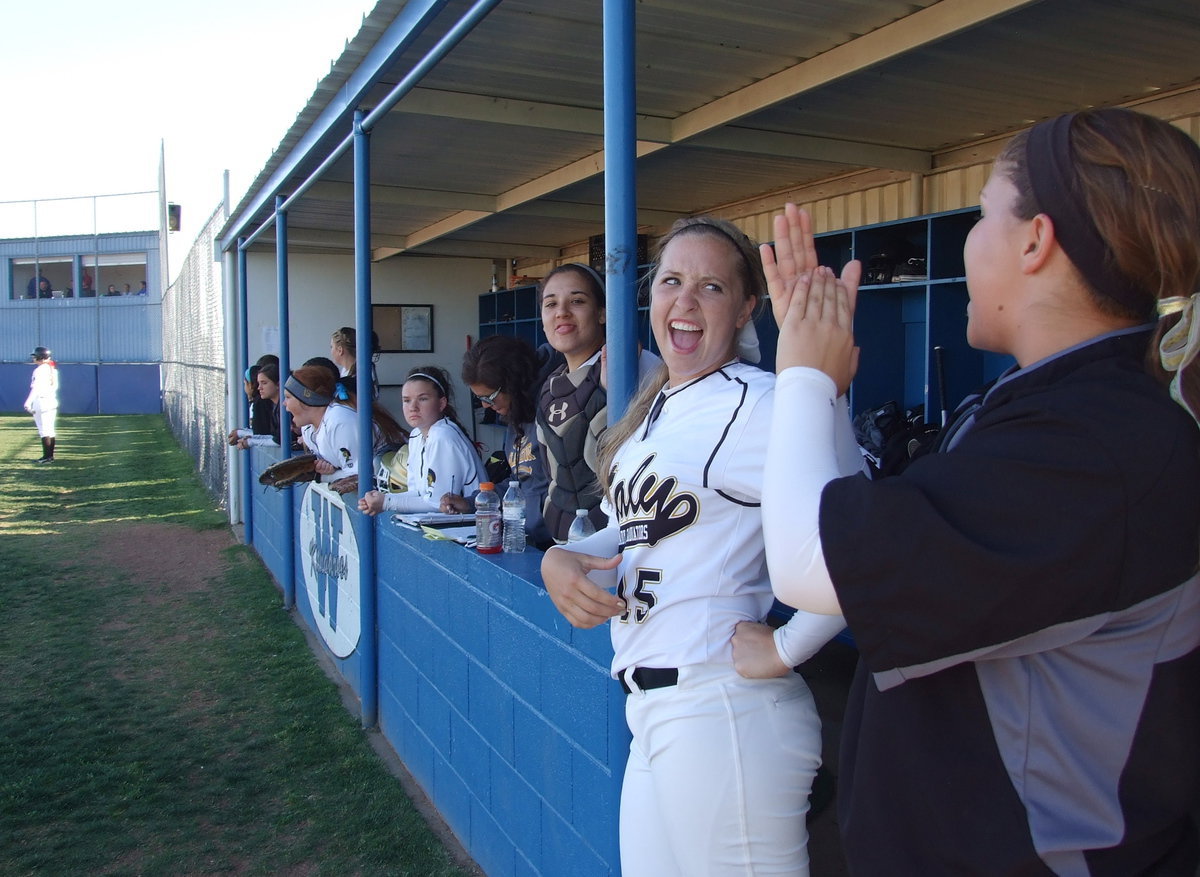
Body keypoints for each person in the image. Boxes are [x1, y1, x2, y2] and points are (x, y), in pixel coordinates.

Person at [756, 108, 1200, 875]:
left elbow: (806, 564)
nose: (970, 239)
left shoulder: (1093, 445)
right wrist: (827, 391)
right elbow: (873, 547)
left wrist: (796, 370)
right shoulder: (1058, 405)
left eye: (985, 212)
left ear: (1036, 240)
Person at [540, 218, 860, 876]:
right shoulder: (661, 406)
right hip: (658, 710)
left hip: (723, 711)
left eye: (710, 286)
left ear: (746, 308)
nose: (684, 301)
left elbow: (867, 540)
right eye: (671, 282)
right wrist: (561, 556)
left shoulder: (763, 400)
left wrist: (787, 645)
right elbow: (632, 527)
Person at [536, 263, 660, 542]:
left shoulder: (635, 366)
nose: (561, 312)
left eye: (577, 301)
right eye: (550, 304)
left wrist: (613, 391)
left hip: (626, 546)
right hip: (564, 539)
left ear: (603, 313)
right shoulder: (551, 385)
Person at [439, 335, 553, 548]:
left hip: (559, 543)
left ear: (513, 384)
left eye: (489, 398)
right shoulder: (516, 414)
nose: (485, 406)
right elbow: (517, 482)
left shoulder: (552, 408)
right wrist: (472, 502)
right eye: (479, 399)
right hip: (528, 540)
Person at [359, 366, 482, 516]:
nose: (413, 407)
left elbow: (438, 504)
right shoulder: (416, 435)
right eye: (406, 400)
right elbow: (417, 493)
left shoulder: (443, 435)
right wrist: (383, 499)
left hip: (471, 527)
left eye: (423, 399)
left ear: (442, 403)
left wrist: (386, 502)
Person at [282, 365, 363, 485]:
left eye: (288, 397)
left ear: (306, 399)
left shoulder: (339, 420)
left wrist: (320, 476)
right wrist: (329, 469)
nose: (284, 403)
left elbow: (360, 475)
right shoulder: (307, 429)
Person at [229, 362, 282, 449]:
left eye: (264, 383)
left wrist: (250, 441)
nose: (259, 387)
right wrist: (251, 439)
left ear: (278, 384)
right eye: (259, 383)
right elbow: (273, 436)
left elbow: (278, 440)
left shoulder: (282, 406)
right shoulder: (274, 406)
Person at [24, 346, 60, 464]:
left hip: (41, 401)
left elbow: (36, 388)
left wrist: (28, 402)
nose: (34, 358)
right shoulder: (52, 369)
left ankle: (47, 457)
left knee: (44, 430)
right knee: (50, 429)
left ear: (40, 356)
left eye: (35, 356)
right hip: (51, 400)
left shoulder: (39, 370)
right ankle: (50, 456)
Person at [329, 326, 380, 400]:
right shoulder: (348, 371)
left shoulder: (361, 375)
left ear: (340, 350)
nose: (331, 351)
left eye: (331, 347)